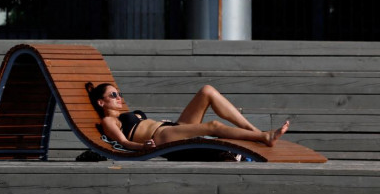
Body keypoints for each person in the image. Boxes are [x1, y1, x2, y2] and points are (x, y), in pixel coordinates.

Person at [85, 82, 290, 152]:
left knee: (207, 91)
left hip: (171, 128)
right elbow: (123, 142)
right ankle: (264, 137)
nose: (119, 97)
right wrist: (143, 147)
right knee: (213, 125)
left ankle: (255, 132)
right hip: (161, 138)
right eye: (113, 95)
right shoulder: (109, 121)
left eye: (119, 94)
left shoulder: (126, 114)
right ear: (101, 103)